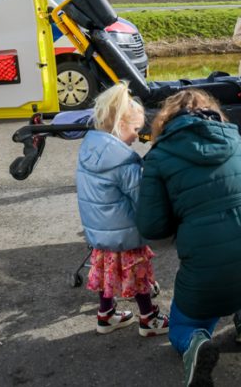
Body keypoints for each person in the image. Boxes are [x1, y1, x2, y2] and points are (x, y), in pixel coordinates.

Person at [136, 89, 241, 387]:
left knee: (185, 323)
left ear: (166, 120)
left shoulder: (159, 155)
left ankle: (195, 343)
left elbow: (152, 227)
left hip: (210, 273)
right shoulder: (236, 140)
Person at [75, 83, 169, 337]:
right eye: (136, 129)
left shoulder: (89, 151)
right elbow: (142, 198)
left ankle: (106, 315)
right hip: (125, 232)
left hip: (99, 232)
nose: (137, 137)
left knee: (106, 274)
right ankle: (148, 317)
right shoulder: (123, 162)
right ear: (120, 125)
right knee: (138, 275)